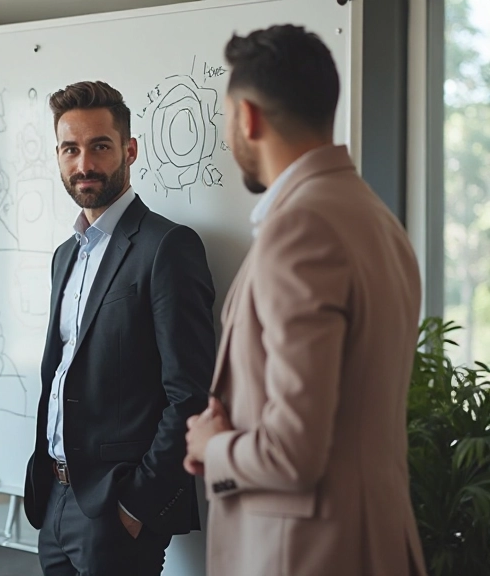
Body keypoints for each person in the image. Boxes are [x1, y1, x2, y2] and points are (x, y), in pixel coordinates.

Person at [184, 25, 427, 576]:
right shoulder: (376, 219)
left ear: (247, 117)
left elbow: (294, 451)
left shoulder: (301, 229)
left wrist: (213, 444)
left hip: (306, 555)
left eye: (227, 121)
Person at [23, 80, 216, 576]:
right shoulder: (65, 256)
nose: (83, 163)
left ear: (128, 150)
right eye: (71, 149)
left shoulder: (166, 247)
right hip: (56, 500)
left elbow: (189, 394)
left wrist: (136, 505)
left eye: (100, 146)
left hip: (117, 508)